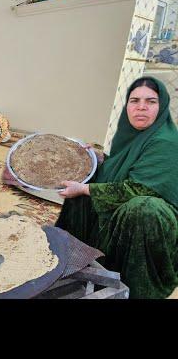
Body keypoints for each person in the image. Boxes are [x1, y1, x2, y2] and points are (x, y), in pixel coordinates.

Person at [56, 76, 178, 299]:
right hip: (131, 202)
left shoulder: (166, 141)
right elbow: (128, 169)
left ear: (162, 107)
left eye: (151, 101)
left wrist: (84, 190)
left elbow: (141, 188)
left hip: (155, 220)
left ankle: (137, 288)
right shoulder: (133, 135)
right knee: (89, 180)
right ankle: (80, 261)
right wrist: (99, 158)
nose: (141, 107)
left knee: (142, 208)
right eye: (134, 100)